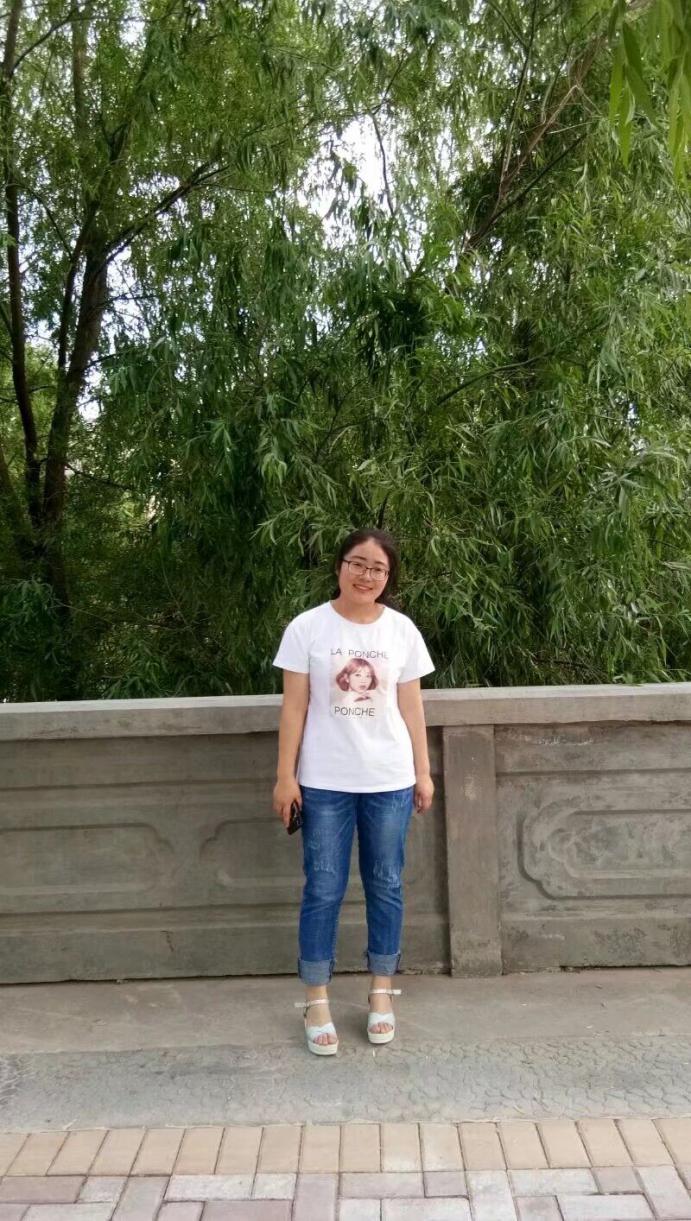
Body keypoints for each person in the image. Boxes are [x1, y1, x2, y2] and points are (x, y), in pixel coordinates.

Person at [272, 527, 435, 1056]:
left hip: (389, 778)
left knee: (386, 883)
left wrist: (424, 771)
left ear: (389, 578)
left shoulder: (402, 631)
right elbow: (294, 708)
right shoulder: (307, 628)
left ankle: (381, 991)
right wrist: (285, 776)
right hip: (324, 780)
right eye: (358, 564)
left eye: (378, 569)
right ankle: (316, 998)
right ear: (340, 566)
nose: (367, 575)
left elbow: (411, 706)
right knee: (323, 887)